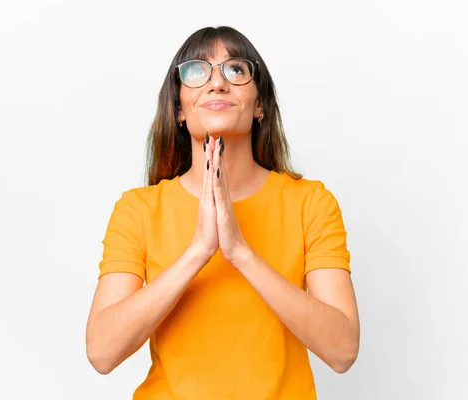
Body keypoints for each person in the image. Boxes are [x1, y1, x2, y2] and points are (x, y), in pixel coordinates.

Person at [86, 26, 360, 399]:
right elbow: (101, 353)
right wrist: (199, 251)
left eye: (235, 70)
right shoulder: (138, 210)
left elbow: (343, 351)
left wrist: (240, 253)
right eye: (198, 72)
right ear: (180, 109)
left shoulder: (310, 203)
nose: (217, 84)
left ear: (260, 105)